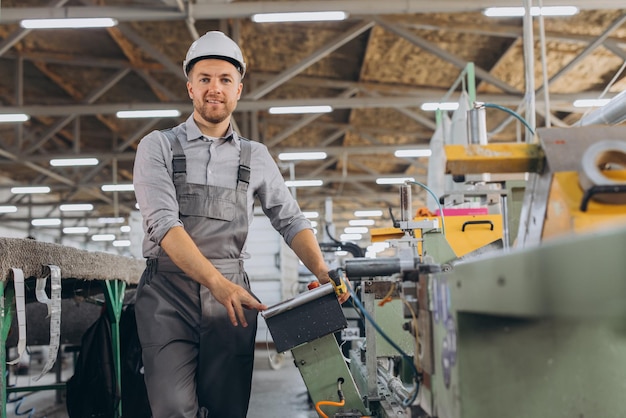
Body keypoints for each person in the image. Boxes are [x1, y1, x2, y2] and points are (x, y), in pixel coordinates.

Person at [132, 30, 349, 418]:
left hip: (232, 301)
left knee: (227, 409)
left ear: (239, 90)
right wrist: (216, 283)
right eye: (205, 79)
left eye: (224, 80)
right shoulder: (158, 147)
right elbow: (164, 225)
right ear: (190, 88)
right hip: (168, 295)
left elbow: (290, 218)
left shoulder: (256, 156)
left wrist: (322, 270)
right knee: (171, 407)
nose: (214, 89)